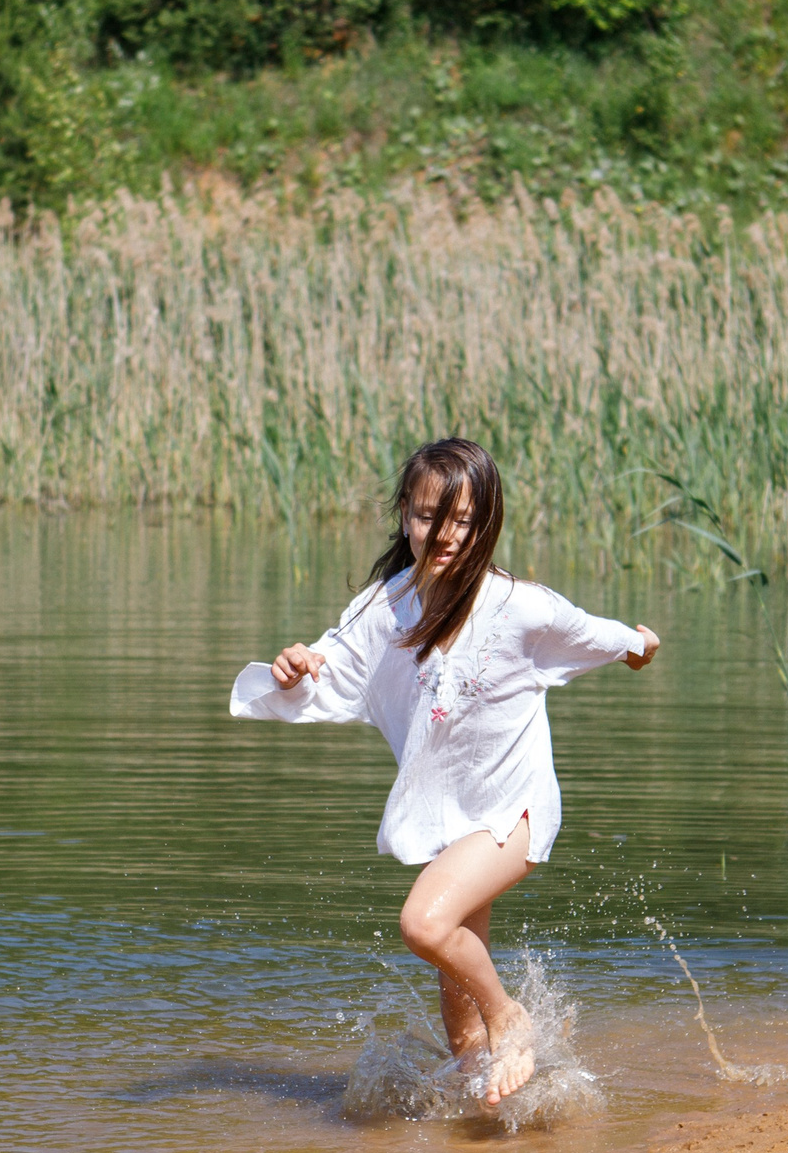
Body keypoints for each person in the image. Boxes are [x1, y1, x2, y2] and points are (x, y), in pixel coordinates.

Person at [230, 438, 658, 1108]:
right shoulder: (386, 609)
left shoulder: (522, 607)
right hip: (447, 823)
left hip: (512, 812)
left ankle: (511, 1014)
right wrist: (292, 666)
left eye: (464, 520)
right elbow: (326, 664)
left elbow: (610, 637)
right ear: (406, 514)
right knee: (466, 1056)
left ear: (487, 522)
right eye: (431, 516)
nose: (446, 534)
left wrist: (639, 644)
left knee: (424, 924)